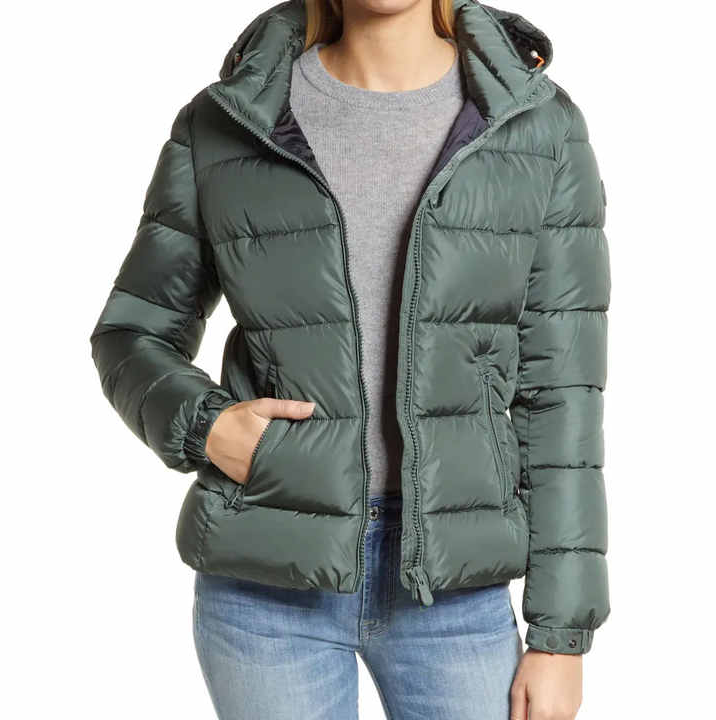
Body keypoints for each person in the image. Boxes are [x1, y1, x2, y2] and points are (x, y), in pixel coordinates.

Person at [89, 1, 610, 718]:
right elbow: (131, 332)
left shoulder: (536, 125)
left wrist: (561, 638)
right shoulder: (226, 122)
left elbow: (562, 395)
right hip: (266, 581)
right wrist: (206, 426)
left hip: (454, 590)